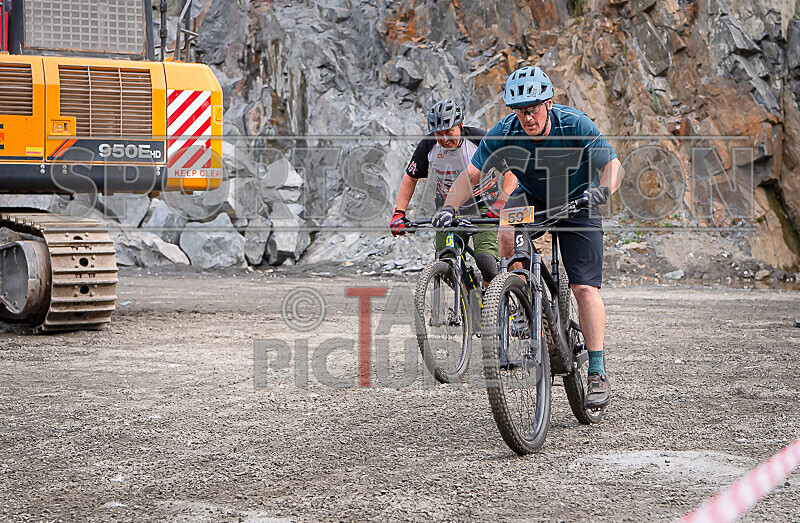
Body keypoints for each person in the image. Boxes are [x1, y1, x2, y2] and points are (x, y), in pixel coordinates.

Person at [431, 66, 624, 409]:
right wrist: (449, 207)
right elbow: (471, 174)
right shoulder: (504, 132)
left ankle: (597, 371)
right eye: (520, 111)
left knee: (584, 288)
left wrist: (604, 190)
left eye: (533, 109)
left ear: (549, 103)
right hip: (531, 198)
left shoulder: (574, 124)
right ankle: (523, 296)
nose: (527, 117)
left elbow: (613, 164)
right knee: (507, 226)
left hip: (579, 200)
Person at [389, 99, 518, 285]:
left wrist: (501, 202)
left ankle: (493, 304)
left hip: (484, 205)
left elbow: (511, 173)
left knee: (486, 261)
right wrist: (399, 213)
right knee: (446, 263)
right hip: (448, 207)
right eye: (439, 134)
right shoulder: (428, 145)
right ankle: (468, 300)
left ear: (461, 126)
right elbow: (410, 177)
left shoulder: (479, 140)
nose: (445, 139)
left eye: (450, 132)